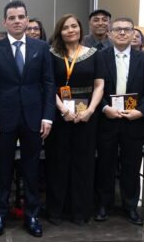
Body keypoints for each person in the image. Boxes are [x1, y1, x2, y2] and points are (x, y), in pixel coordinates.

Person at [0, 0, 56, 238]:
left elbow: (49, 84)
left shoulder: (41, 48)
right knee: (2, 169)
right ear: (4, 22)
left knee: (31, 169)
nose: (17, 21)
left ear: (27, 20)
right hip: (3, 119)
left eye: (21, 17)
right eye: (11, 18)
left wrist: (48, 117)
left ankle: (31, 215)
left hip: (34, 118)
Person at [95, 17, 144, 225]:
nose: (122, 33)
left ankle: (131, 206)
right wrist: (105, 108)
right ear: (109, 34)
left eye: (127, 30)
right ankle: (104, 205)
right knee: (105, 164)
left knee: (131, 165)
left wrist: (140, 111)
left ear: (133, 34)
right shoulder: (99, 57)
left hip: (135, 121)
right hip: (107, 119)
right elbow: (95, 88)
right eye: (117, 30)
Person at [44, 14, 104, 225]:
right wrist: (62, 109)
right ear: (59, 32)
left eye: (74, 26)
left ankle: (80, 211)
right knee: (57, 162)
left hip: (86, 116)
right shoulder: (51, 54)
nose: (71, 30)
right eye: (66, 27)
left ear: (80, 29)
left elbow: (99, 85)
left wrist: (90, 110)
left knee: (83, 163)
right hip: (59, 115)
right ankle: (55, 211)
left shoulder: (94, 54)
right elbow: (48, 85)